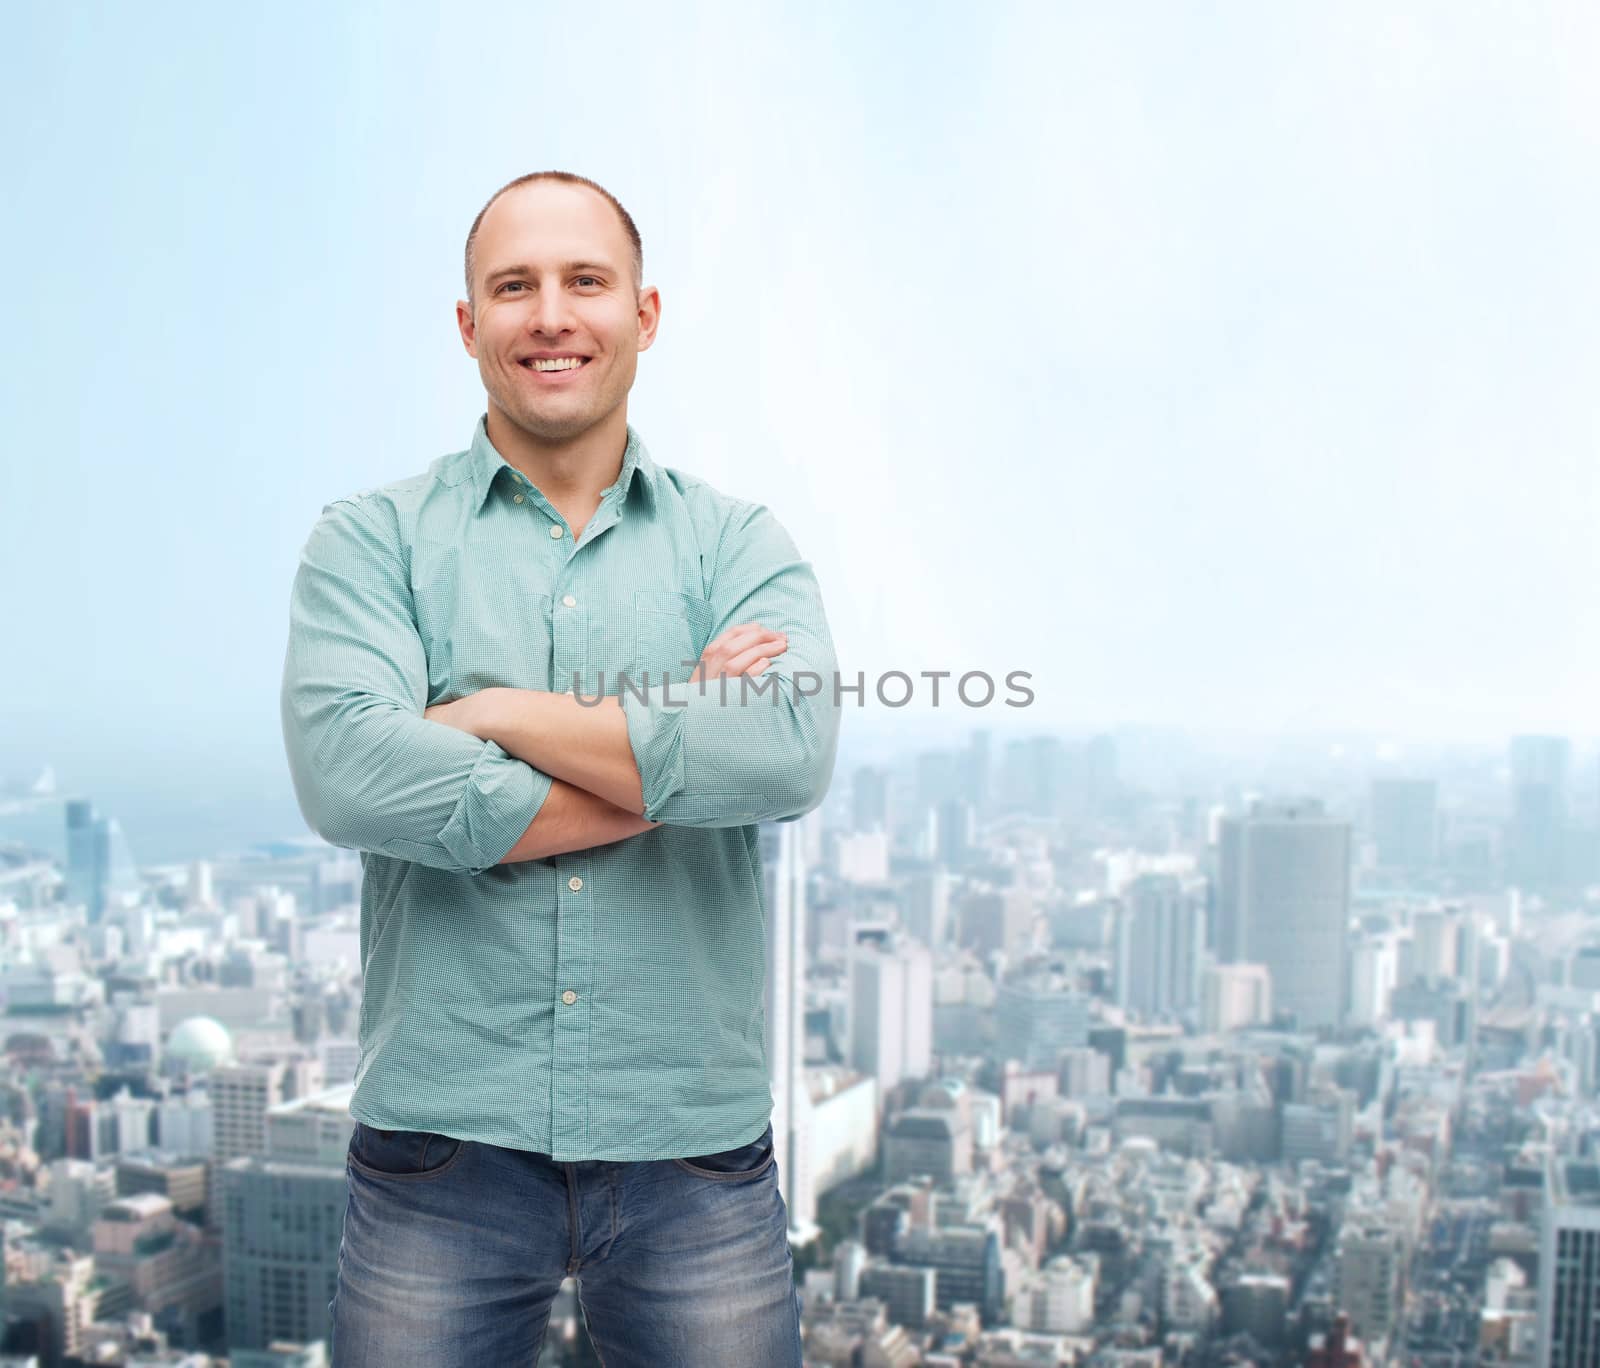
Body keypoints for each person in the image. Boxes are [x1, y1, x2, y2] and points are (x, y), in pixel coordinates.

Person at [279, 169, 841, 1366]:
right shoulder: (370, 541)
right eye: (513, 285)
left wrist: (484, 712)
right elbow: (349, 773)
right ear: (468, 323)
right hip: (439, 1144)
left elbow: (787, 751)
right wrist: (676, 747)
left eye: (585, 281)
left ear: (643, 313)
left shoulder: (736, 543)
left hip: (690, 1146)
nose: (550, 314)